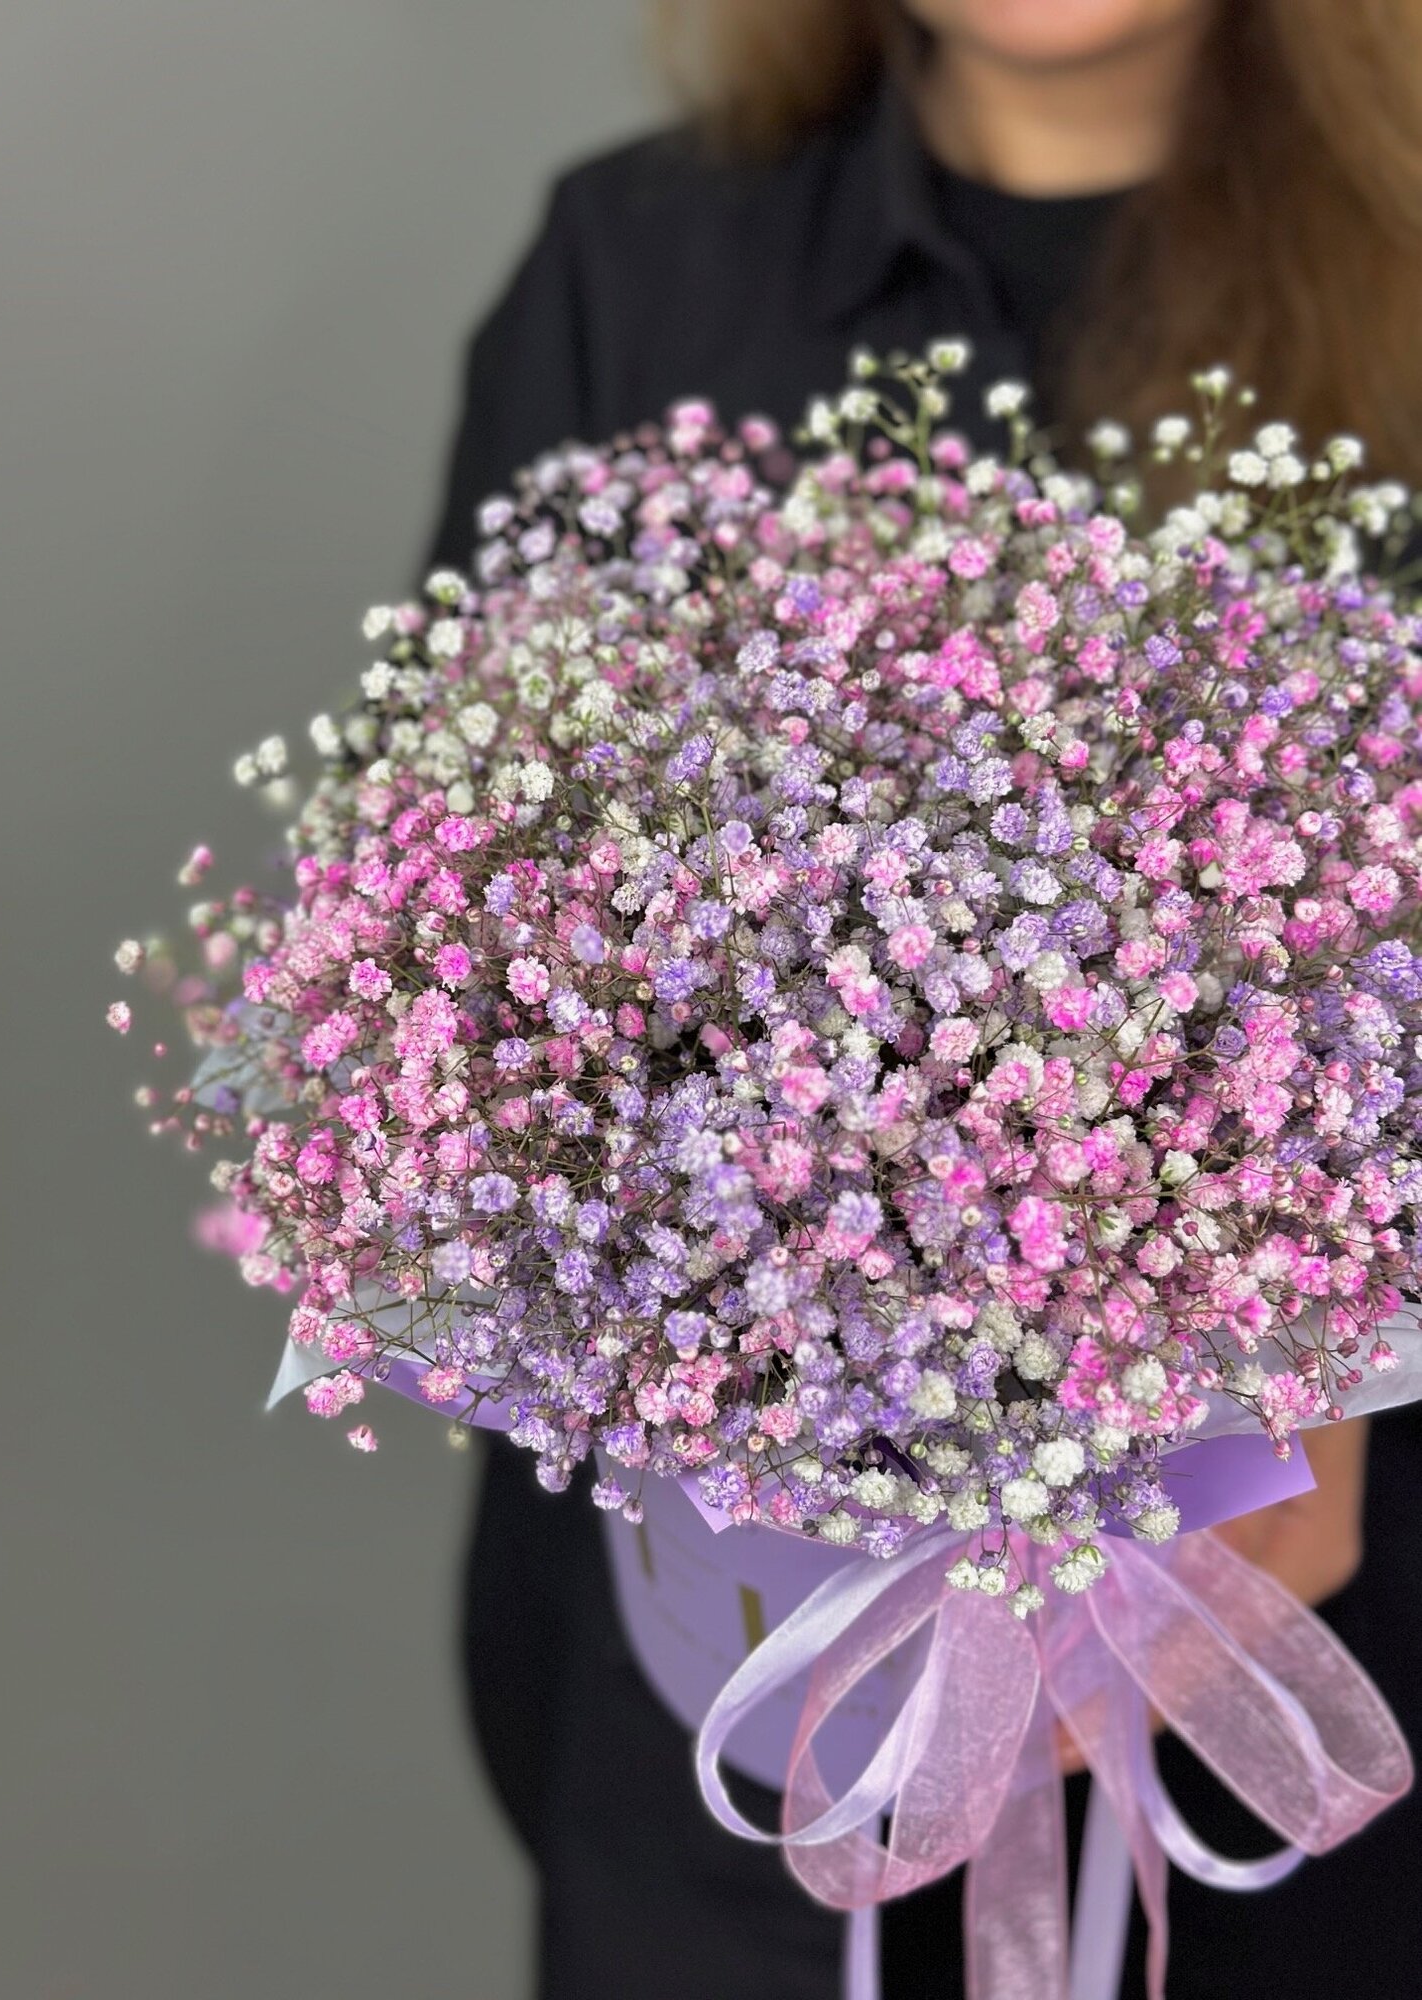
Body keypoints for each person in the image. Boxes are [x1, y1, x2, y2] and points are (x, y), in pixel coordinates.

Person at [416, 3, 1422, 1994]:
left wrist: (1344, 1330)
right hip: (743, 1716)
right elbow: (458, 943)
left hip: (1312, 1670)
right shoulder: (638, 267)